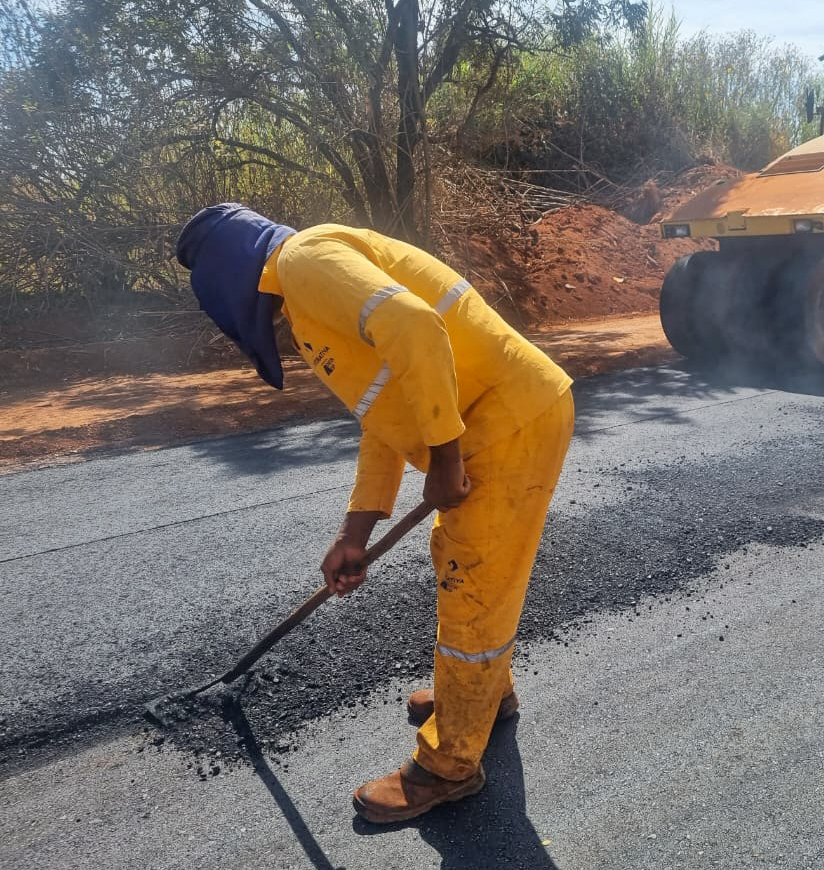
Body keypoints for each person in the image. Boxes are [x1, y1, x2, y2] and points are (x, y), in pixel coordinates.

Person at [175, 204, 574, 822]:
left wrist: (445, 458)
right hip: (496, 422)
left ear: (229, 280)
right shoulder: (308, 291)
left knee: (472, 583)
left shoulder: (305, 260)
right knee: (464, 565)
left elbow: (416, 326)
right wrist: (354, 532)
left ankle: (449, 765)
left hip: (507, 422)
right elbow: (383, 411)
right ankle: (484, 698)